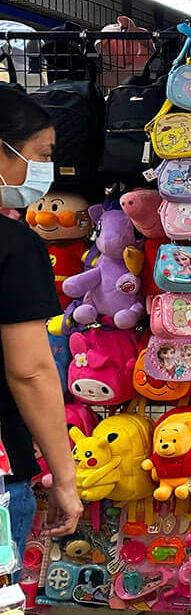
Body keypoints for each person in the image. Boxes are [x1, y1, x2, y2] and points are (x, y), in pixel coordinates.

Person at [0, 89, 82, 550]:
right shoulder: (13, 244)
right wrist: (64, 477)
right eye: (41, 155)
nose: (42, 170)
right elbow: (29, 369)